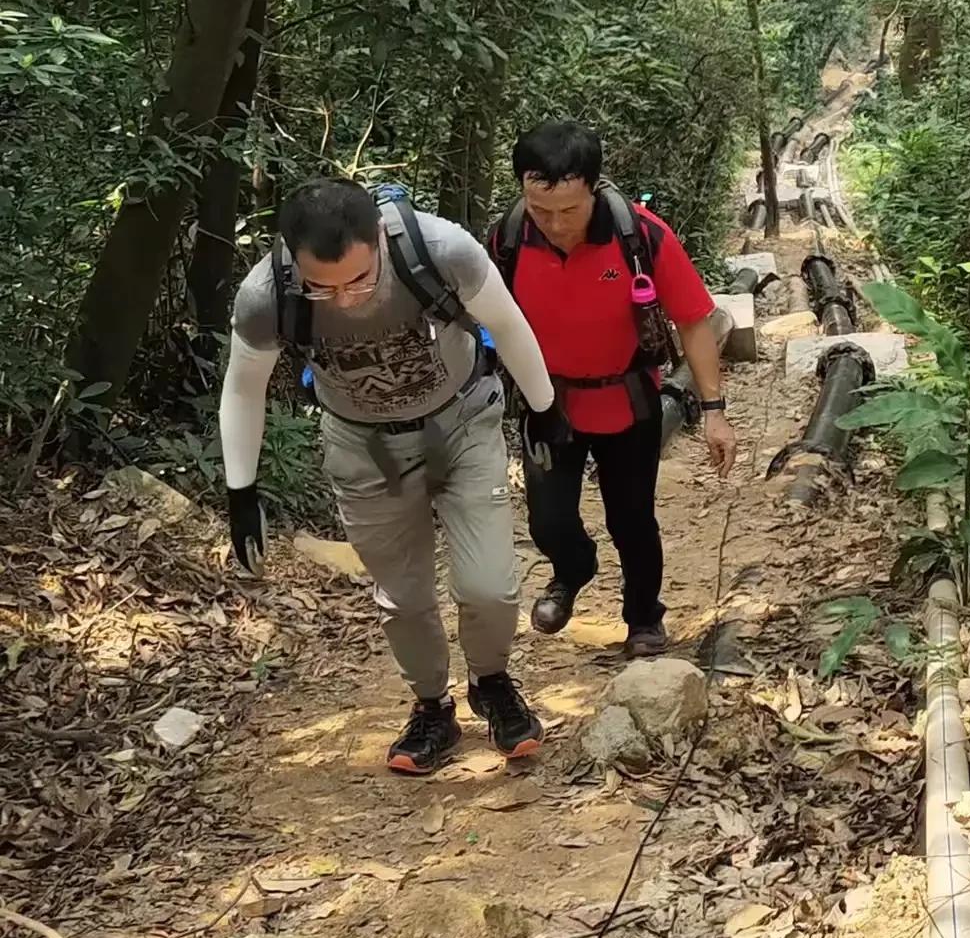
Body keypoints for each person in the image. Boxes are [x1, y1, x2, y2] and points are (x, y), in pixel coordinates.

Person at [219, 177, 558, 775]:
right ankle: (432, 708)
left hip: (462, 423)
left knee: (489, 586)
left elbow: (506, 324)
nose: (346, 298)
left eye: (359, 279)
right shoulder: (266, 296)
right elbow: (243, 389)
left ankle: (492, 681)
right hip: (361, 445)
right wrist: (240, 490)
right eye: (324, 285)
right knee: (403, 598)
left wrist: (544, 408)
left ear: (379, 234)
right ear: (294, 258)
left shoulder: (440, 249)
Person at [488, 121, 736, 659]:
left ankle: (644, 617)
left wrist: (714, 410)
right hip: (546, 401)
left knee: (631, 517)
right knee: (548, 519)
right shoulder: (507, 239)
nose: (554, 224)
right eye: (540, 209)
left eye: (568, 211)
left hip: (626, 401)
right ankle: (572, 570)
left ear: (594, 189)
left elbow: (695, 321)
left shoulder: (640, 236)